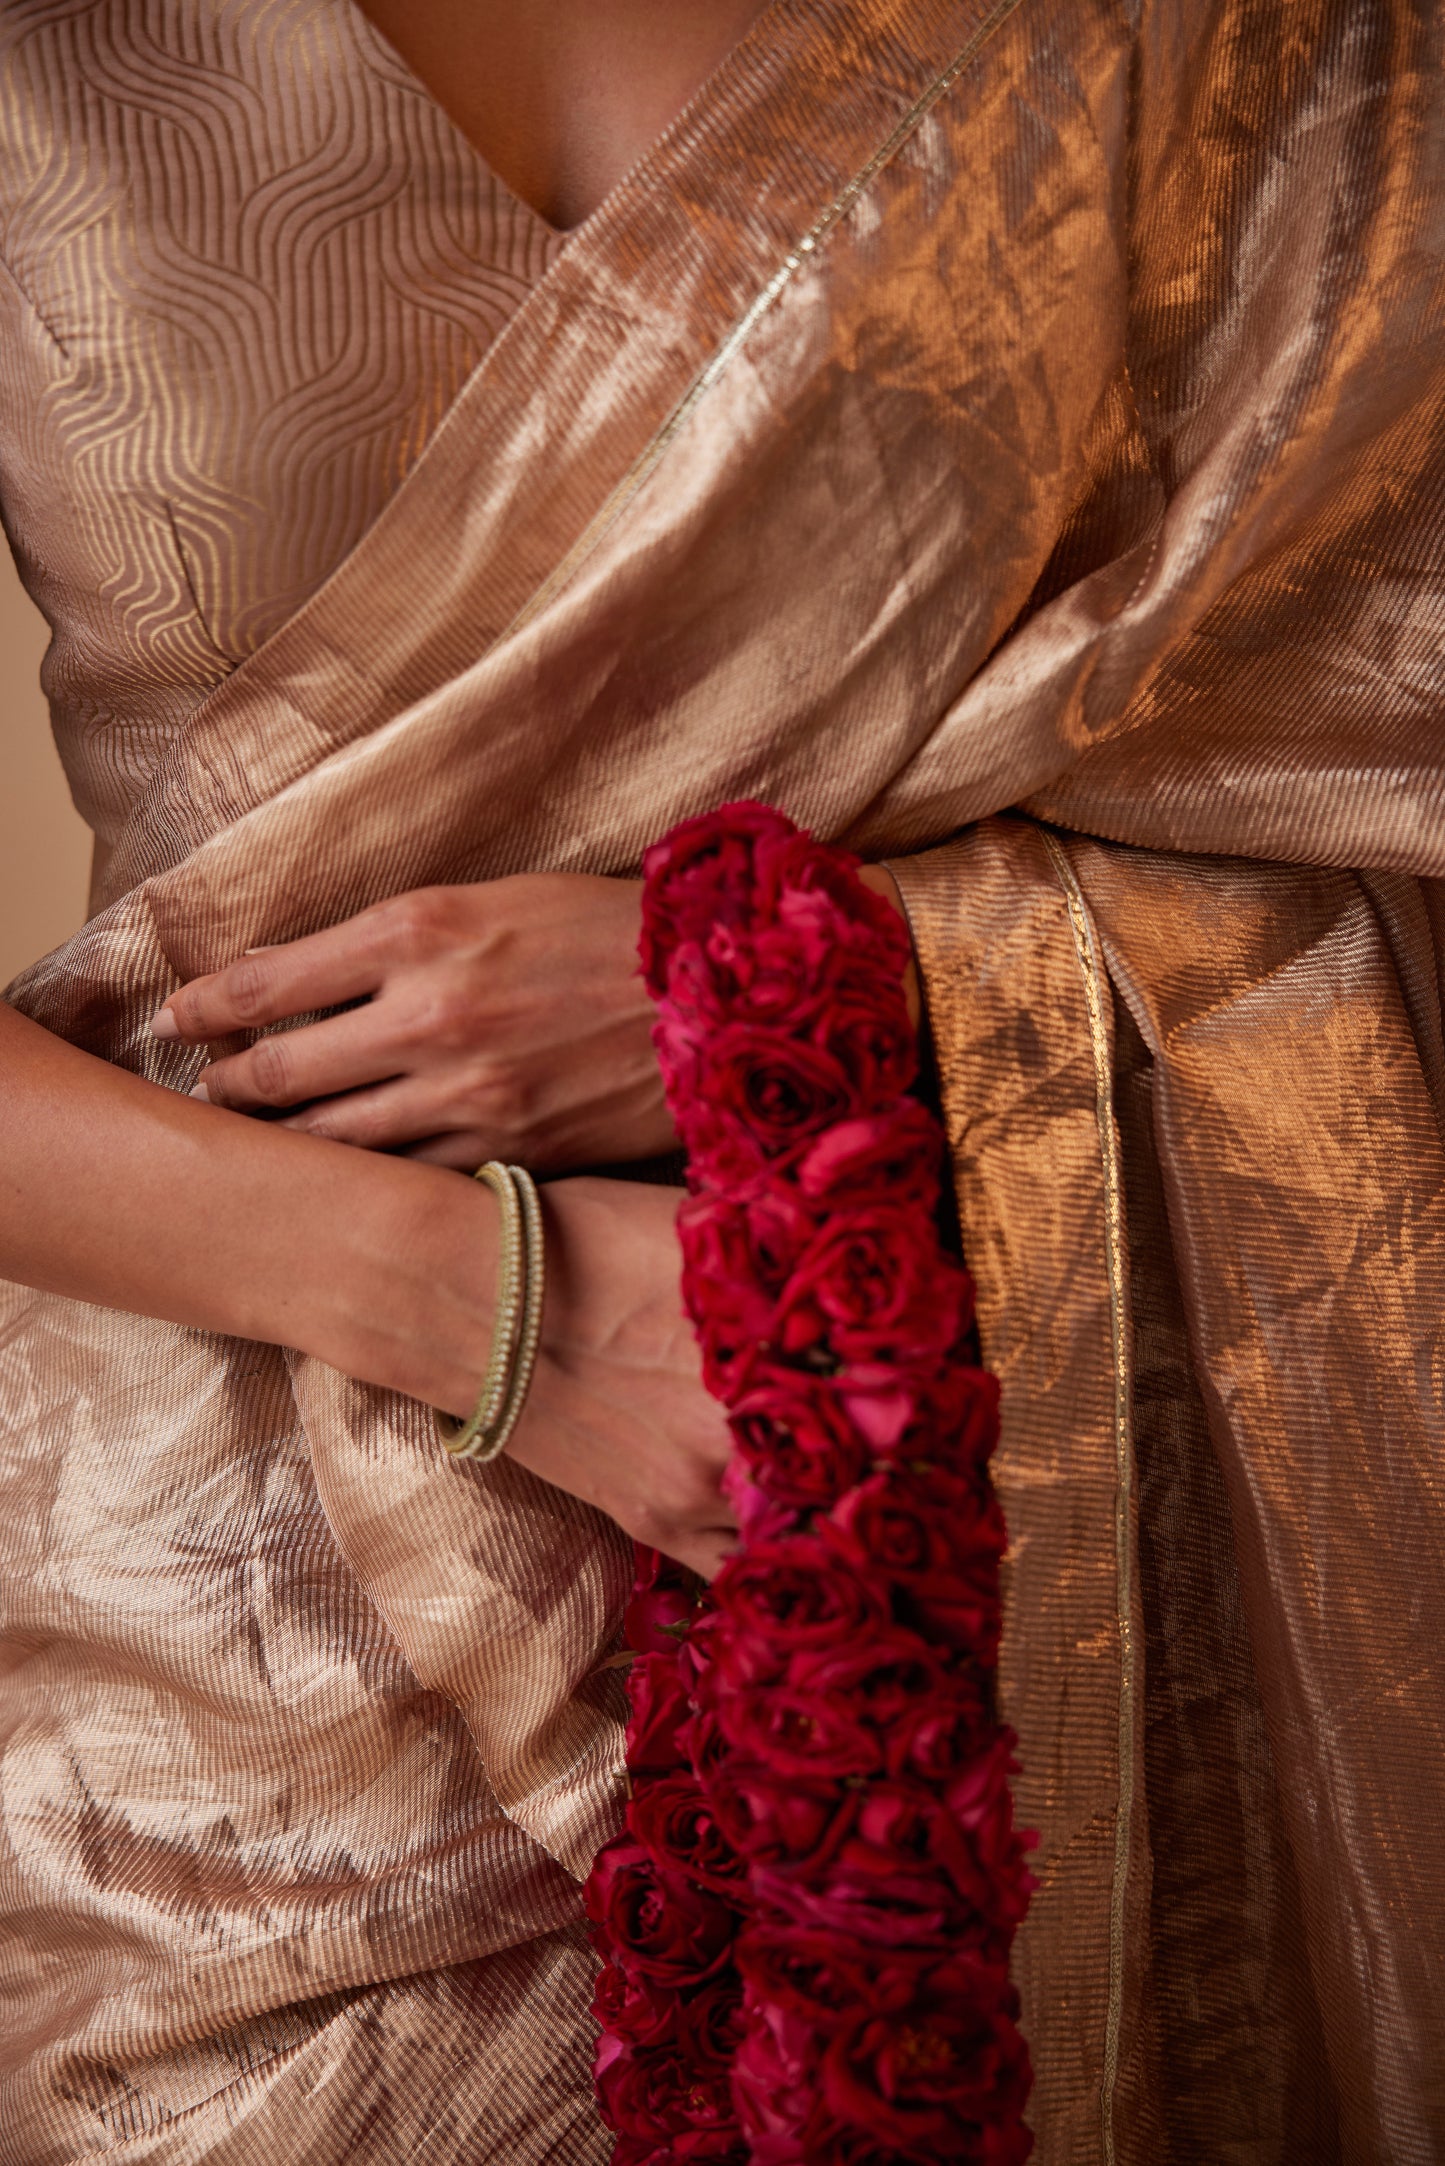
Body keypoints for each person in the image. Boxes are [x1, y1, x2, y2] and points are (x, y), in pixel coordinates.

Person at [0, 1, 1441, 2161]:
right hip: (237, 1700)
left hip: (1046, 1548)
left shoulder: (1219, 39)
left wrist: (784, 973)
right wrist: (493, 1302)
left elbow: (1366, 716)